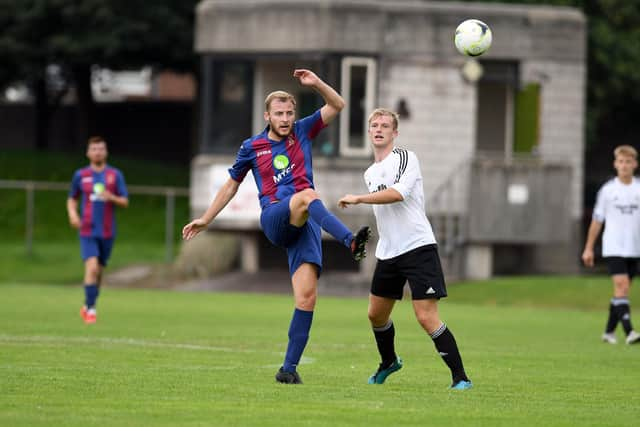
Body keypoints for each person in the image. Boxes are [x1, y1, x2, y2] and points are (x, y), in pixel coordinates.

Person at [182, 69, 371, 384]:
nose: (285, 118)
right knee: (307, 195)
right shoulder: (252, 147)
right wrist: (207, 218)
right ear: (267, 116)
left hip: (306, 221)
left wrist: (317, 84)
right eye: (279, 113)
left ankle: (288, 369)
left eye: (290, 112)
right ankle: (350, 241)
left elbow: (338, 104)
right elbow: (231, 186)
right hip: (274, 217)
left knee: (307, 297)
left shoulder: (303, 131)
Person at [338, 108, 472, 390]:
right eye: (374, 125)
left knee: (426, 317)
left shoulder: (406, 158)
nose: (379, 129)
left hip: (418, 247)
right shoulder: (370, 172)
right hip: (388, 252)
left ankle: (461, 378)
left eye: (385, 125)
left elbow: (399, 193)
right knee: (376, 314)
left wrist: (360, 199)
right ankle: (389, 362)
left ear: (394, 133)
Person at [67, 136, 129, 324]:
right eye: (94, 149)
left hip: (107, 231)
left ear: (106, 152)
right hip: (87, 229)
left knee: (99, 271)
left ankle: (88, 304)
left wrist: (111, 197)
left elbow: (125, 201)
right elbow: (72, 198)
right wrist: (73, 215)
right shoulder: (81, 175)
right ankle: (91, 310)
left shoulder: (114, 175)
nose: (97, 152)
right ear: (88, 152)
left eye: (101, 149)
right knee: (92, 268)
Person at [582, 145, 640, 345]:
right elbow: (597, 220)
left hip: (635, 248)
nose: (624, 165)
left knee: (621, 292)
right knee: (622, 286)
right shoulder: (608, 191)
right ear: (616, 164)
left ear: (635, 164)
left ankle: (608, 332)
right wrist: (589, 247)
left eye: (628, 162)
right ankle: (630, 331)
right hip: (614, 246)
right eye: (621, 162)